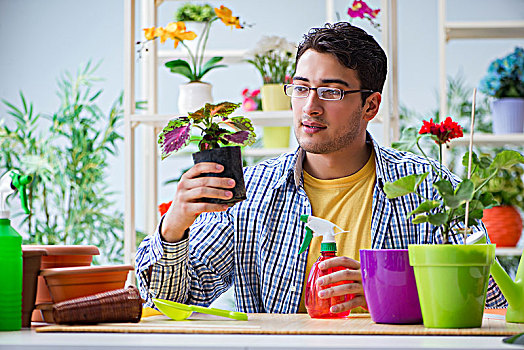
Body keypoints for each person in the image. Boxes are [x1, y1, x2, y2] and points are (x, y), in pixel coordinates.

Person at [135, 22, 506, 313]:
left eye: (331, 92)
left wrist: (393, 294)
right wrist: (174, 228)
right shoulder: (252, 193)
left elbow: (494, 304)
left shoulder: (431, 190)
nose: (310, 107)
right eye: (300, 87)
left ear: (371, 106)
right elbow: (172, 302)